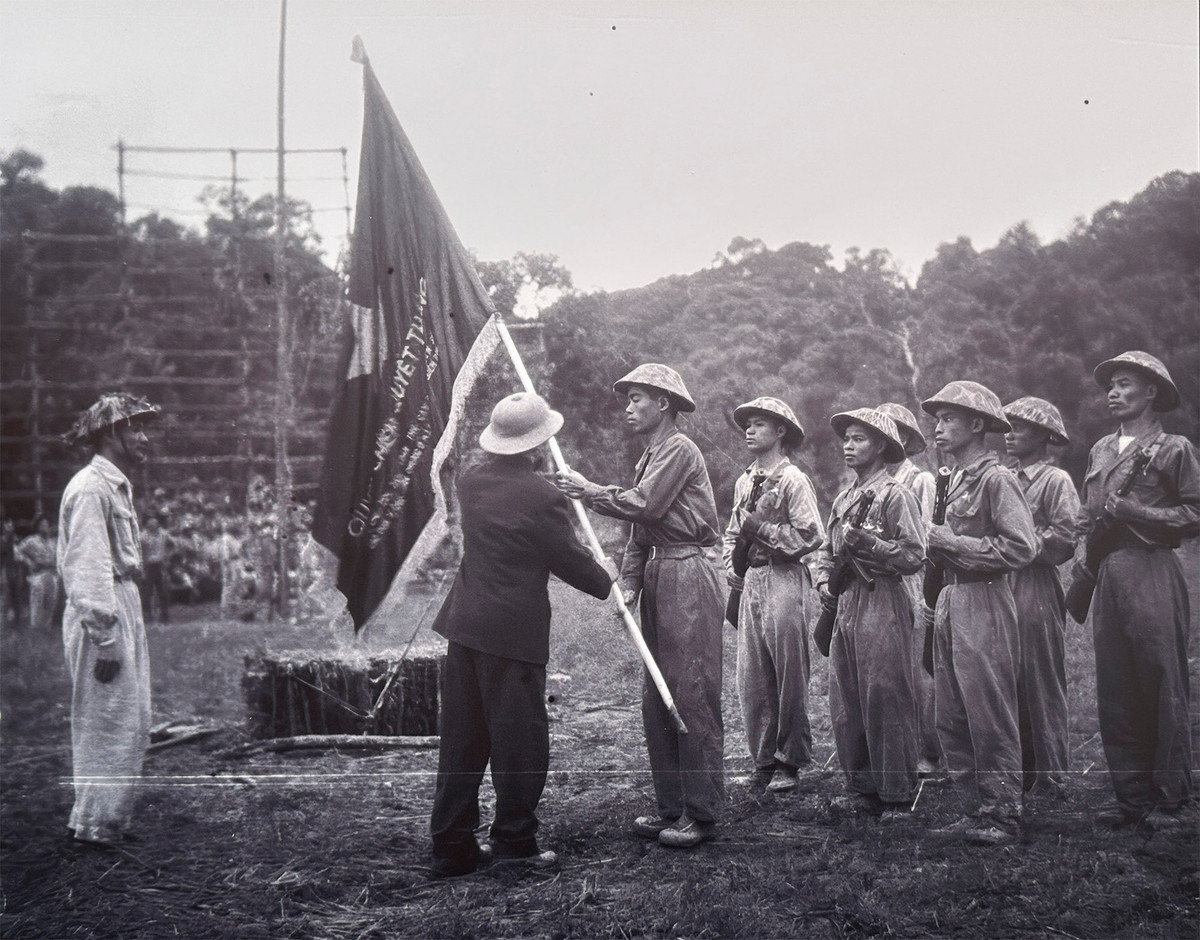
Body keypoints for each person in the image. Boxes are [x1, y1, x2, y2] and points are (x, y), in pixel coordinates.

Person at [429, 392, 614, 878]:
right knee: (519, 742)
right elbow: (568, 560)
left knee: (462, 739)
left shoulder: (471, 481)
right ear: (540, 440)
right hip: (512, 634)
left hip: (464, 626)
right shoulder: (544, 496)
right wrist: (605, 574)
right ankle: (515, 846)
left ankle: (451, 845)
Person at [556, 364, 725, 849]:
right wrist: (629, 582)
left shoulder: (678, 449)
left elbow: (644, 506)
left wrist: (589, 491)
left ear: (663, 403)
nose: (628, 408)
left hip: (688, 571)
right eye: (627, 399)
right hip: (657, 571)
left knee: (690, 690)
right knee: (658, 694)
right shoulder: (651, 454)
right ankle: (672, 805)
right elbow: (639, 532)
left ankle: (703, 811)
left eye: (636, 399)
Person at [1076, 352, 1197, 829]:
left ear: (1151, 393)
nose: (1113, 392)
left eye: (1124, 384)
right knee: (1116, 685)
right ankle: (1131, 798)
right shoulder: (1101, 449)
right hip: (1108, 573)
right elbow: (1088, 515)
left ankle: (1172, 801)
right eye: (1110, 385)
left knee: (1162, 682)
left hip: (1152, 568)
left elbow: (1195, 513)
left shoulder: (1174, 448)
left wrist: (1139, 514)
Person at [921, 380, 1038, 846]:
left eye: (949, 418)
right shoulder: (951, 480)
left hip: (985, 598)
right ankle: (974, 809)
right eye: (937, 419)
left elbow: (1022, 546)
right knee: (951, 710)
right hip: (951, 597)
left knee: (988, 707)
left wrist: (949, 542)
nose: (938, 427)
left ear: (976, 424)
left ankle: (1003, 813)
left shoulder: (996, 478)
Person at [57, 392, 160, 846]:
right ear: (112, 433)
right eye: (136, 429)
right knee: (106, 718)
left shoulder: (113, 485)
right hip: (103, 612)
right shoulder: (91, 487)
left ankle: (107, 820)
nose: (145, 438)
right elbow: (87, 566)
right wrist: (105, 640)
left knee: (130, 716)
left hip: (122, 602)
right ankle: (95, 824)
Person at [816, 408, 925, 815]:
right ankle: (862, 785)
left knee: (886, 693)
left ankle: (896, 792)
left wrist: (873, 546)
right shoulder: (844, 497)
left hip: (883, 596)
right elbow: (825, 551)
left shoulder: (897, 494)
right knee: (847, 694)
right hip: (845, 600)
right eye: (845, 438)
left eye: (859, 439)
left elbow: (915, 554)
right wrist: (823, 581)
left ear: (880, 446)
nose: (848, 445)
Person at [722, 396, 824, 793]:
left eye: (760, 424)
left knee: (788, 672)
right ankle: (762, 759)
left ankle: (790, 760)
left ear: (781, 432)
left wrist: (763, 531)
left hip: (784, 576)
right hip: (751, 580)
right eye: (748, 424)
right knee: (752, 675)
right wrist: (731, 566)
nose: (750, 430)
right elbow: (732, 531)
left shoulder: (793, 480)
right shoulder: (745, 480)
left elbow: (811, 534)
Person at [1002, 396, 1080, 799]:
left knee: (1040, 678)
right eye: (1008, 426)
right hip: (999, 586)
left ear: (1046, 437)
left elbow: (1065, 539)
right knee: (1006, 678)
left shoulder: (1055, 482)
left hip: (1035, 586)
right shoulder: (1002, 477)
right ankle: (1017, 772)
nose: (1010, 435)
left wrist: (1019, 543)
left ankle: (1050, 775)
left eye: (1022, 429)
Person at [876, 401, 941, 776]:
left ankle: (928, 750)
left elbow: (927, 536)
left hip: (913, 579)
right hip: (879, 581)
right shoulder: (866, 483)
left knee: (919, 668)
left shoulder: (920, 481)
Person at [16, 515, 59, 632]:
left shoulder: (54, 542)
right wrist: (28, 561)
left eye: (46, 525)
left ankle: (47, 627)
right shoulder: (31, 540)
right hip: (37, 574)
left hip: (52, 573)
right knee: (37, 601)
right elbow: (17, 551)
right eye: (41, 525)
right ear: (37, 527)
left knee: (51, 600)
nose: (44, 527)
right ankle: (35, 628)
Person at [139, 516, 172, 624]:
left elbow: (173, 544)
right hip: (148, 565)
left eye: (155, 523)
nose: (154, 525)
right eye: (151, 523)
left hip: (160, 564)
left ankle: (165, 616)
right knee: (147, 592)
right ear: (147, 525)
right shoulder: (142, 536)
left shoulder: (163, 534)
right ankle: (147, 616)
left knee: (163, 591)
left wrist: (167, 555)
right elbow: (140, 553)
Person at [2, 517, 26, 629]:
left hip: (16, 569)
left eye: (11, 525)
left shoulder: (16, 539)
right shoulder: (2, 541)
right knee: (6, 596)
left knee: (18, 595)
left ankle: (18, 622)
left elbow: (20, 554)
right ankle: (4, 622)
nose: (10, 527)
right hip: (5, 569)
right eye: (7, 525)